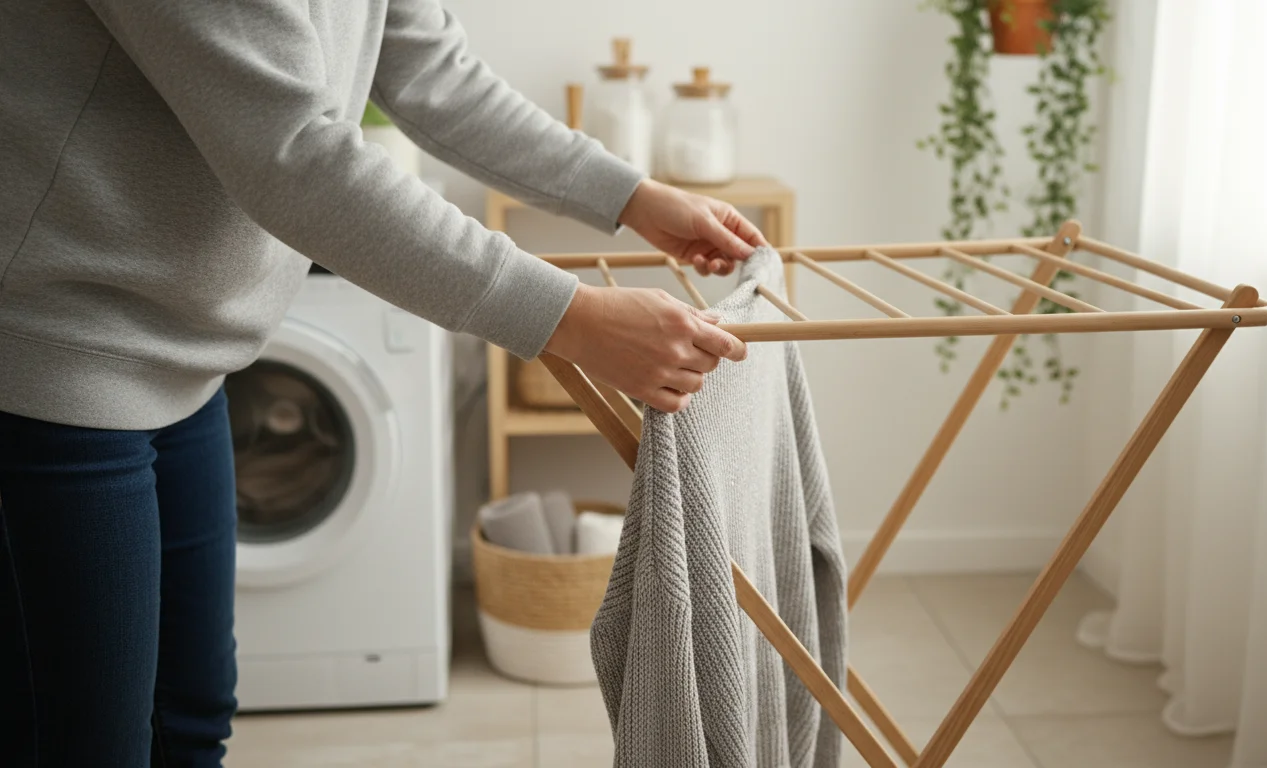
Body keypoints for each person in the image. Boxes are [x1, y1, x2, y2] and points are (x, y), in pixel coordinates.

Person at [0, 1, 765, 765]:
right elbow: (295, 155)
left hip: (187, 362)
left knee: (192, 721)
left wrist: (631, 196)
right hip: (56, 367)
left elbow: (432, 71)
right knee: (89, 744)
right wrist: (570, 317)